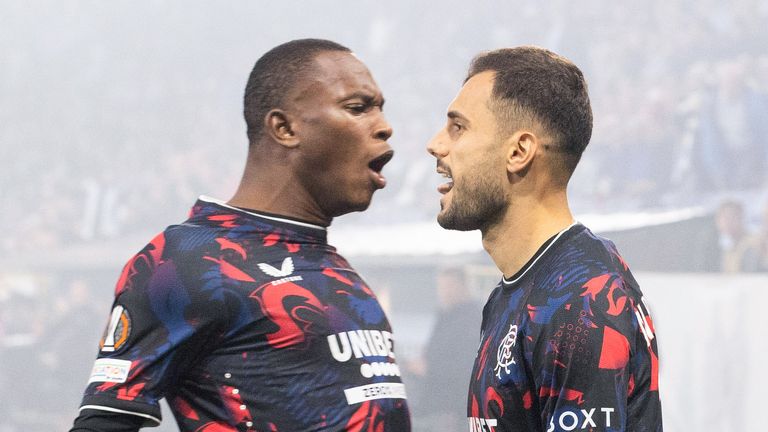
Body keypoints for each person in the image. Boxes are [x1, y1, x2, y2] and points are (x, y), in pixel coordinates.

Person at [69, 39, 410, 432]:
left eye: (380, 108)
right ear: (284, 127)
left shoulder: (338, 272)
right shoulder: (185, 262)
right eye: (357, 107)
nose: (384, 126)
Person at [426, 46, 662, 431]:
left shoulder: (580, 302)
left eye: (458, 127)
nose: (436, 144)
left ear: (519, 151)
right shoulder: (523, 287)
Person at [714, 199, 761, 272]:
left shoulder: (753, 245)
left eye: (732, 217)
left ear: (741, 218)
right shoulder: (729, 248)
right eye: (724, 218)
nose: (727, 222)